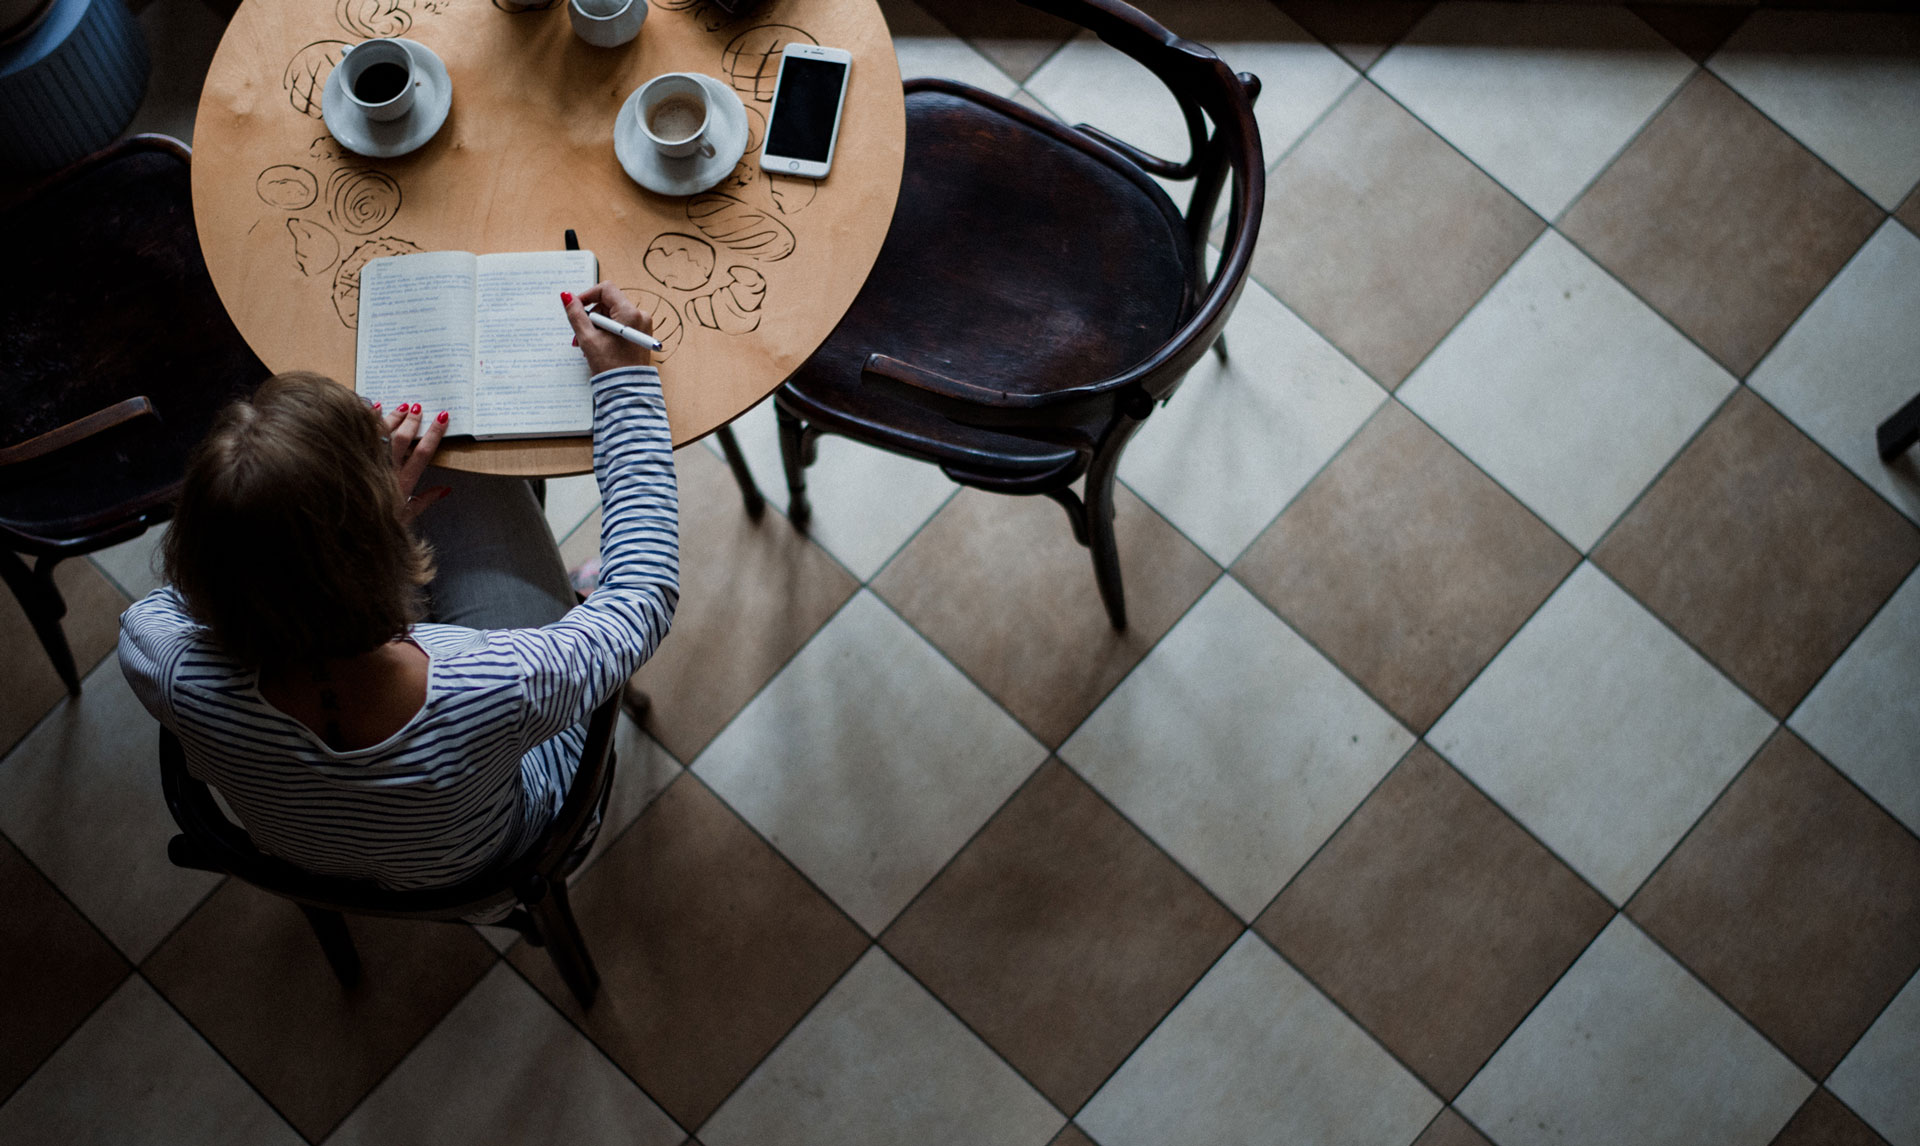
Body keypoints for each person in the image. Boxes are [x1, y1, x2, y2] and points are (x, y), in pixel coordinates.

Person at [118, 284, 676, 894]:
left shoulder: (160, 660)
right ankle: (563, 594)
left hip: (321, 861)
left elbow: (172, 598)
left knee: (427, 457)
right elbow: (641, 598)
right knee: (453, 463)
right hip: (516, 846)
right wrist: (627, 386)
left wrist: (333, 535)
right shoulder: (497, 681)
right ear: (374, 559)